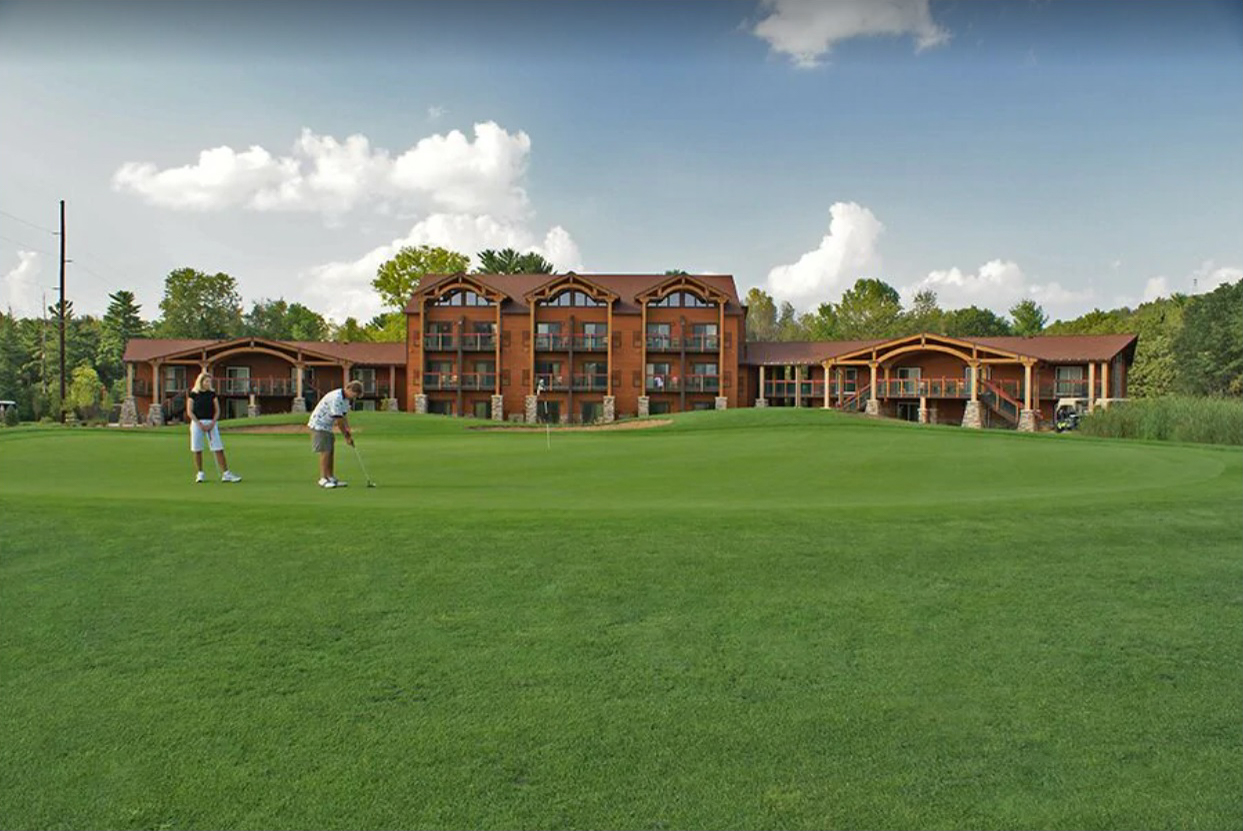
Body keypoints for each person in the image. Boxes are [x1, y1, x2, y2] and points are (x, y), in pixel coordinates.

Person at [186, 371, 242, 484]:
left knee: (218, 448)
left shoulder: (212, 394)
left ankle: (226, 474)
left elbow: (217, 410)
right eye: (206, 381)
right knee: (197, 449)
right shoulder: (193, 394)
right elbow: (189, 411)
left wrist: (212, 422)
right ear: (201, 382)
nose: (208, 383)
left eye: (209, 381)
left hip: (211, 422)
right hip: (197, 423)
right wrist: (198, 423)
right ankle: (200, 473)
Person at [307, 379, 363, 488]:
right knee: (325, 451)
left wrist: (348, 431)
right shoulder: (336, 398)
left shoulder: (345, 399)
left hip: (327, 426)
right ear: (349, 389)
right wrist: (346, 437)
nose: (354, 398)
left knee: (330, 451)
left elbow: (344, 416)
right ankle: (323, 479)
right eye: (354, 395)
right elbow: (338, 420)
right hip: (319, 424)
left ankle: (330, 477)